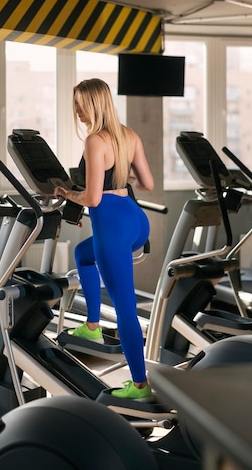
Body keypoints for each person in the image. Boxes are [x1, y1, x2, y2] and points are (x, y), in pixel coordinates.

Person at [54, 78, 154, 401]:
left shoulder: (95, 142)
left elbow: (94, 198)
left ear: (95, 105)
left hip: (111, 225)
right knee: (83, 254)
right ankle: (92, 325)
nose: (78, 113)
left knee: (125, 308)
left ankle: (139, 386)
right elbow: (148, 183)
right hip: (136, 221)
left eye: (81, 106)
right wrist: (122, 174)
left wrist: (68, 193)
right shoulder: (129, 135)